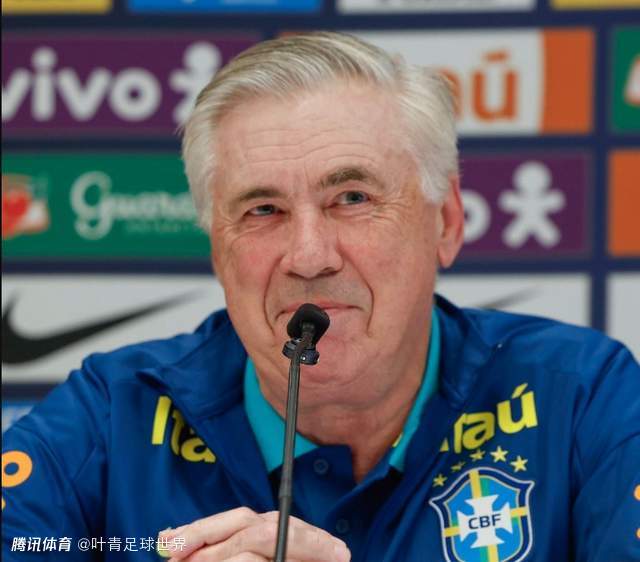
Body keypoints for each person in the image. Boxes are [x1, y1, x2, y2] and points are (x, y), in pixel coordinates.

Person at [2, 32, 639, 562]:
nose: (309, 256)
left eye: (352, 198)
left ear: (445, 222)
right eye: (263, 209)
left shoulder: (582, 398)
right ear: (218, 249)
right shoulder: (114, 415)